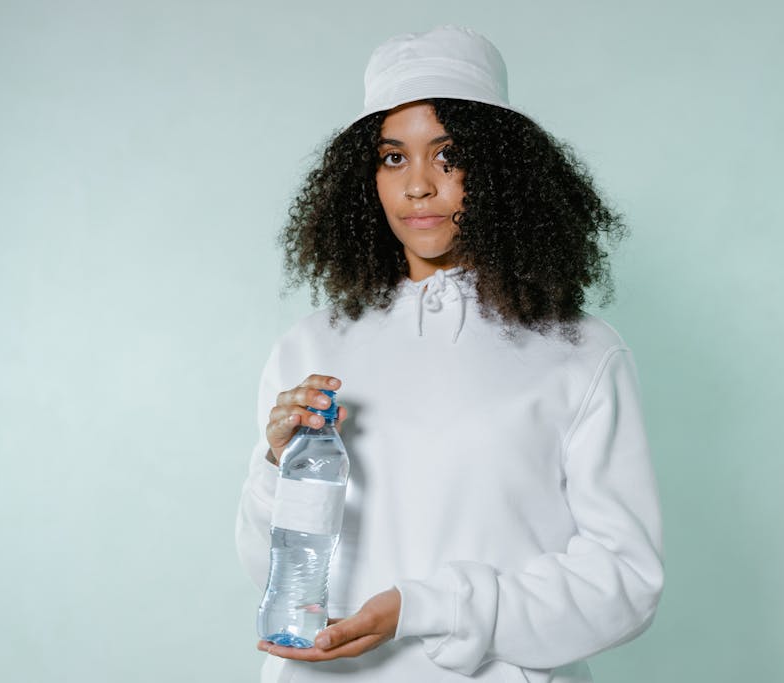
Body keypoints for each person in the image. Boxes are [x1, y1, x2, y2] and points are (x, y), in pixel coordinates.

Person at [236, 25, 663, 683]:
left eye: (448, 154)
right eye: (392, 157)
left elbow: (625, 580)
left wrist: (428, 607)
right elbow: (273, 572)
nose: (418, 187)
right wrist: (275, 465)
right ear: (365, 177)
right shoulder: (309, 345)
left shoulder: (581, 353)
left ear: (499, 170)